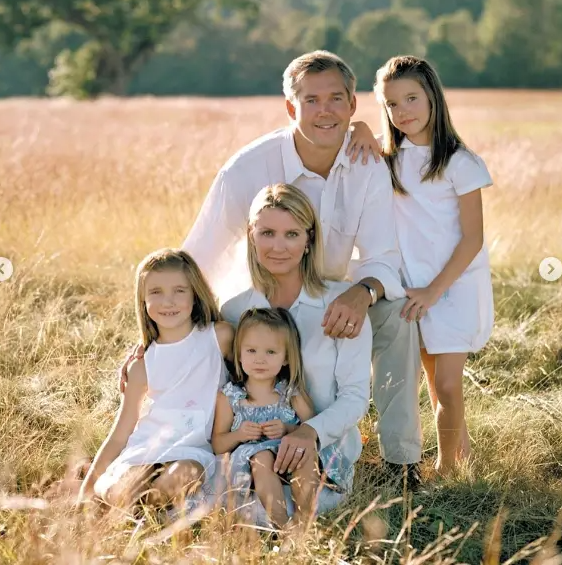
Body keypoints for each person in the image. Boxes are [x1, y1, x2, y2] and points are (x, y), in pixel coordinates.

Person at [180, 50, 423, 486]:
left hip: (339, 295)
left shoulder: (368, 165)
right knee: (216, 336)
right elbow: (198, 257)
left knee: (399, 319)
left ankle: (400, 462)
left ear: (352, 105)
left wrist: (362, 291)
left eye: (336, 99)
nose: (324, 111)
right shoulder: (248, 168)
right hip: (264, 299)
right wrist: (157, 336)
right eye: (311, 100)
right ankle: (199, 441)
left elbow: (383, 257)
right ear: (291, 107)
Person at [349, 55, 494, 474]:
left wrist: (435, 291)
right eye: (392, 104)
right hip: (413, 287)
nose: (403, 111)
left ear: (433, 97)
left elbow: (473, 238)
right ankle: (461, 461)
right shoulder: (389, 157)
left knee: (448, 384)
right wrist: (360, 126)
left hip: (453, 284)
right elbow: (354, 138)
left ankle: (448, 473)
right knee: (435, 384)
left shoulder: (459, 162)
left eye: (412, 98)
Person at [220, 183, 372, 522]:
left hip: (322, 453)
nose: (278, 246)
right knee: (251, 513)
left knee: (303, 510)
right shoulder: (234, 311)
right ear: (251, 235)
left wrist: (309, 431)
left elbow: (355, 396)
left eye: (291, 234)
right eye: (267, 233)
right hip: (254, 458)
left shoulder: (341, 303)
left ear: (309, 240)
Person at [78, 249, 234, 509]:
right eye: (156, 292)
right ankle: (126, 501)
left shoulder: (218, 337)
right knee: (121, 489)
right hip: (144, 450)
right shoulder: (142, 365)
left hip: (192, 449)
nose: (168, 301)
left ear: (195, 294)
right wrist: (85, 492)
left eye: (179, 291)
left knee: (179, 479)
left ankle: (140, 510)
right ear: (143, 300)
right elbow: (120, 433)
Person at [212, 307, 315, 529]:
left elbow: (313, 427)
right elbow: (218, 444)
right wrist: (239, 435)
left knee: (303, 451)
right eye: (251, 351)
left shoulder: (290, 392)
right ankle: (283, 525)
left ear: (286, 358)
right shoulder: (230, 396)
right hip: (253, 468)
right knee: (262, 457)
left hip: (287, 457)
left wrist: (288, 429)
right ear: (239, 354)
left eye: (270, 352)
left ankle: (305, 523)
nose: (260, 360)